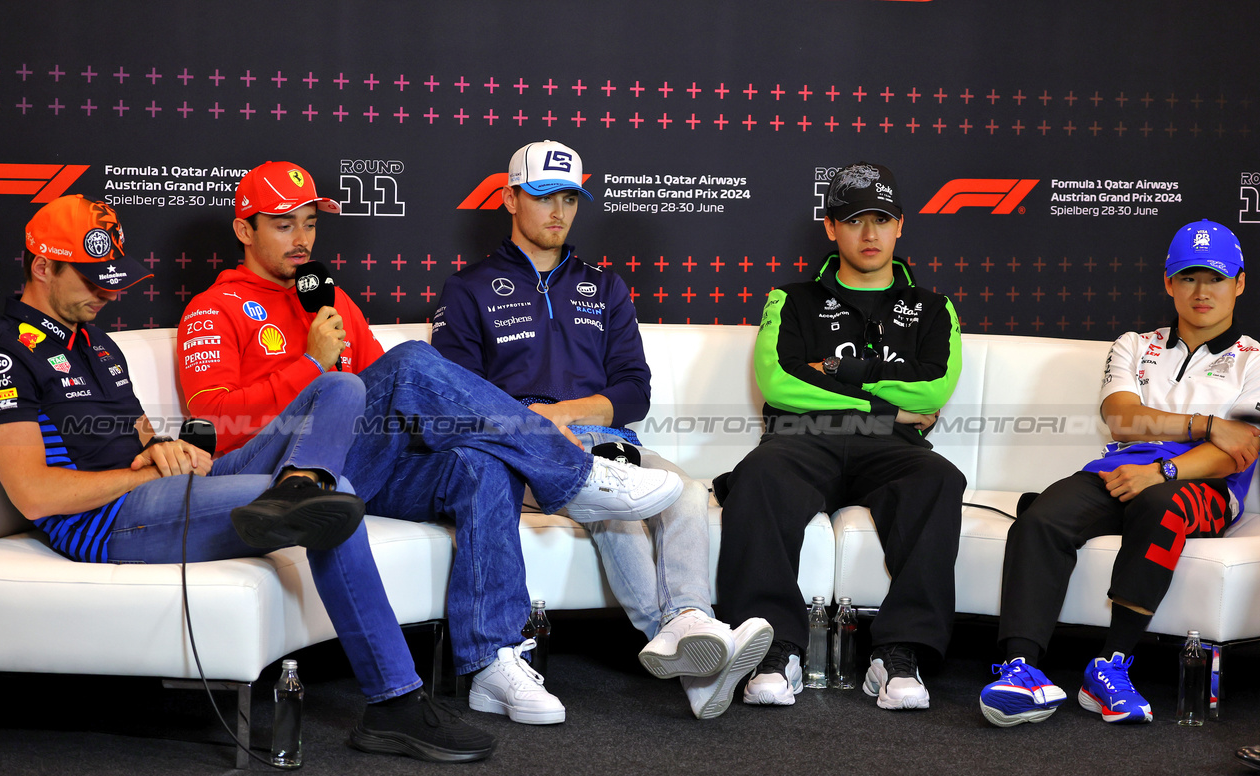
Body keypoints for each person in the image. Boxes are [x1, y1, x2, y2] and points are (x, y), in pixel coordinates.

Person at [0, 194, 500, 762]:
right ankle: (394, 704)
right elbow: (34, 494)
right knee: (340, 500)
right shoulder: (3, 355)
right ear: (41, 267)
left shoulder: (98, 344)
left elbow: (139, 435)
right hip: (111, 522)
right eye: (91, 279)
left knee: (341, 387)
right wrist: (137, 477)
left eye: (112, 279)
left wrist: (169, 449)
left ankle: (298, 485)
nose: (107, 293)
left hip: (169, 487)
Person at [178, 161, 683, 728]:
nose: (302, 240)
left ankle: (490, 662)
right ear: (244, 230)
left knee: (481, 465)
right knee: (416, 364)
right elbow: (217, 426)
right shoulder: (212, 309)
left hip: (362, 466)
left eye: (310, 224)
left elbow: (385, 399)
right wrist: (309, 365)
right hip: (284, 480)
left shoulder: (330, 300)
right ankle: (573, 475)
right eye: (282, 225)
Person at [430, 140, 774, 720]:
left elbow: (633, 390)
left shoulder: (606, 286)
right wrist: (536, 428)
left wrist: (567, 414)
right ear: (511, 198)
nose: (558, 212)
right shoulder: (469, 289)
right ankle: (693, 648)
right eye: (543, 197)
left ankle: (689, 627)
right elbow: (461, 398)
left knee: (687, 490)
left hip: (607, 442)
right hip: (525, 455)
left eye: (569, 198)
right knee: (614, 506)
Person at [980, 219, 1260, 727]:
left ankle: (1110, 668)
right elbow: (1123, 418)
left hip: (1202, 485)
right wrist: (1206, 424)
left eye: (1216, 278)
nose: (1202, 291)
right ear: (1168, 283)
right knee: (1042, 516)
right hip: (1117, 471)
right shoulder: (1135, 343)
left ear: (1239, 283)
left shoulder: (1254, 361)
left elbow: (1236, 453)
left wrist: (1165, 469)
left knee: (1161, 503)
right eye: (1189, 277)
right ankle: (1020, 669)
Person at [713, 161, 965, 711]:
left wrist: (835, 374)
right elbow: (780, 382)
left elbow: (931, 393)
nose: (869, 234)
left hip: (893, 452)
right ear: (830, 228)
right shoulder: (790, 299)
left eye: (881, 219)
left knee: (940, 478)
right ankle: (772, 648)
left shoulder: (932, 307)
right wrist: (883, 406)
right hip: (806, 439)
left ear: (901, 225)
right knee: (758, 474)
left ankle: (899, 653)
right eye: (854, 220)